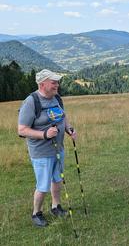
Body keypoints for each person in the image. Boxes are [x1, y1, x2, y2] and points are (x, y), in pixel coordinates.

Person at [18, 69, 77, 227]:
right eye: (53, 82)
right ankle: (36, 213)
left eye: (57, 82)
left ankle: (55, 207)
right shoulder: (31, 102)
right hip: (41, 152)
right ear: (42, 84)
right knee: (43, 185)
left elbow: (62, 116)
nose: (57, 85)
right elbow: (22, 130)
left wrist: (68, 128)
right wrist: (44, 134)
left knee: (57, 179)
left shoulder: (56, 98)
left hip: (58, 149)